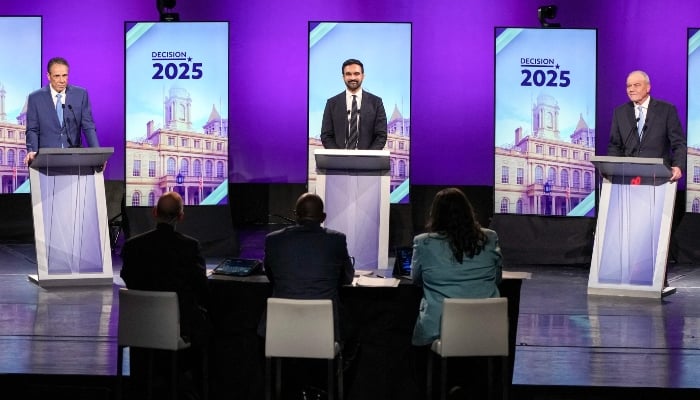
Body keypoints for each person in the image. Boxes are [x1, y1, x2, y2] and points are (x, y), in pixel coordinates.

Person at [258, 193, 355, 397]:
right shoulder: (336, 240)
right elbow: (347, 278)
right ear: (324, 216)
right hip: (326, 333)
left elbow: (271, 275)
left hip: (280, 333)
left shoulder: (273, 241)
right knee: (355, 337)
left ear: (296, 215)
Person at [120, 191, 210, 400]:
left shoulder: (133, 246)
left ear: (154, 212)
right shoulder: (190, 247)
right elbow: (201, 288)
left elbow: (128, 278)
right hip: (178, 330)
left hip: (139, 327)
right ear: (180, 216)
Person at [411, 187, 503, 347]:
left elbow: (416, 279)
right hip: (487, 325)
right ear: (469, 212)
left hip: (438, 328)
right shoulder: (490, 237)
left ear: (435, 214)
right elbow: (497, 278)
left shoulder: (423, 242)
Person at [607, 70, 687, 182]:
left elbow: (679, 144)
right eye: (628, 86)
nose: (631, 89)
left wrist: (678, 166)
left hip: (659, 178)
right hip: (628, 179)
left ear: (648, 87)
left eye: (636, 85)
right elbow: (614, 145)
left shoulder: (666, 110)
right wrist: (612, 170)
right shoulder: (620, 112)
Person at [24, 56, 100, 165]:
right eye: (57, 76)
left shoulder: (80, 95)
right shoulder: (35, 98)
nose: (62, 80)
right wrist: (33, 151)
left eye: (65, 75)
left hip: (74, 158)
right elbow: (32, 130)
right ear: (48, 76)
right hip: (46, 160)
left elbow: (88, 126)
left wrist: (97, 153)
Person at [321, 58, 387, 150]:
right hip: (338, 161)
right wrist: (339, 156)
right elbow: (326, 135)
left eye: (356, 74)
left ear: (363, 76)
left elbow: (381, 135)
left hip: (366, 161)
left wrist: (366, 158)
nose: (352, 78)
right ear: (343, 77)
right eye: (348, 74)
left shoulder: (376, 102)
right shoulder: (331, 103)